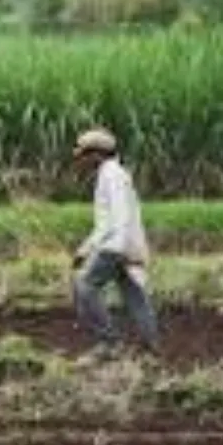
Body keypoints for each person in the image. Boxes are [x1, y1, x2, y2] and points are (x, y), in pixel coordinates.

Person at [71, 127, 159, 364]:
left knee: (84, 285)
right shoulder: (112, 174)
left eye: (84, 155)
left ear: (96, 154)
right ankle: (150, 350)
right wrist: (85, 248)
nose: (81, 161)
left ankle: (108, 344)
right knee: (134, 294)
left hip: (116, 245)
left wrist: (113, 250)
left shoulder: (112, 176)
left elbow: (118, 218)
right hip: (123, 244)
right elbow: (105, 222)